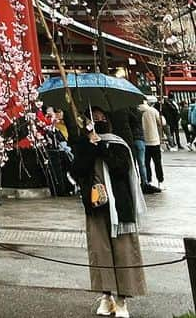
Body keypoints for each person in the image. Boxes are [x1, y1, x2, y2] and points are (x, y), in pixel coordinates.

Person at [72, 104, 146, 318]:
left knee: (123, 252)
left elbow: (121, 168)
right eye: (93, 117)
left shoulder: (118, 143)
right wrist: (90, 147)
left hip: (120, 207)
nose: (97, 120)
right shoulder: (84, 144)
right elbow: (77, 171)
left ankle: (123, 299)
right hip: (96, 206)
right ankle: (107, 296)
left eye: (101, 116)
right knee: (100, 250)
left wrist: (102, 148)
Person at [139, 100, 164, 191]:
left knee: (145, 163)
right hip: (154, 140)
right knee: (157, 163)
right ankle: (160, 181)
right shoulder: (152, 110)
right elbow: (162, 122)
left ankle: (148, 181)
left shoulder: (137, 111)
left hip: (142, 140)